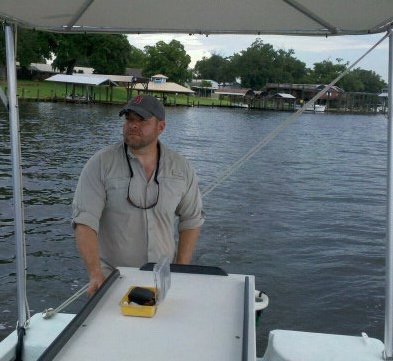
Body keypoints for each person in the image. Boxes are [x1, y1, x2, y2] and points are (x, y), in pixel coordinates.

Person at [72, 95, 204, 295]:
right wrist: (95, 273)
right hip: (113, 279)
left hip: (164, 278)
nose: (133, 125)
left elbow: (191, 221)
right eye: (129, 119)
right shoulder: (99, 164)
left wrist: (181, 270)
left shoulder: (181, 168)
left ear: (161, 127)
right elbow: (84, 223)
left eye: (141, 120)